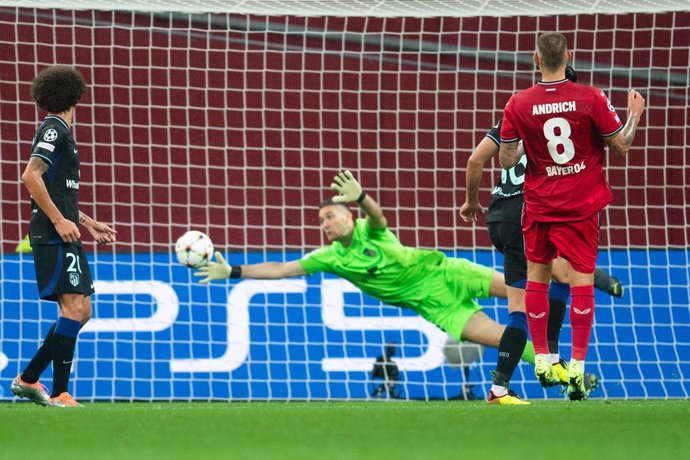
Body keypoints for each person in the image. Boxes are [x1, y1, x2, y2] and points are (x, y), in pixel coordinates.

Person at [197, 170, 535, 404]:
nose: (325, 225)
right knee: (502, 338)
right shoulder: (331, 257)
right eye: (321, 222)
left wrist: (361, 196)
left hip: (450, 273)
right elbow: (283, 268)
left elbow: (378, 217)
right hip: (438, 307)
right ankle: (563, 373)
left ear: (349, 216)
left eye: (330, 216)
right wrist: (233, 271)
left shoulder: (368, 231)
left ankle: (576, 283)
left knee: (529, 293)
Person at [459, 66, 622, 403]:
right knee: (562, 277)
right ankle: (547, 365)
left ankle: (512, 382)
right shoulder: (575, 119)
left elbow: (476, 160)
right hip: (531, 210)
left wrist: (471, 203)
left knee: (528, 298)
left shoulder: (519, 116)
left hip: (498, 216)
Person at [498, 32, 645, 400]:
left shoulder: (518, 103)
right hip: (580, 205)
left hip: (540, 204)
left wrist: (524, 144)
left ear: (535, 59)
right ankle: (576, 364)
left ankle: (544, 359)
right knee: (580, 281)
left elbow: (505, 160)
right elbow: (621, 146)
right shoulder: (591, 97)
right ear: (569, 56)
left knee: (537, 277)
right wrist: (633, 117)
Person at [11, 66, 117, 407]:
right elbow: (31, 176)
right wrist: (59, 221)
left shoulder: (61, 132)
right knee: (72, 308)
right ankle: (59, 393)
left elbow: (58, 189)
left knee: (82, 310)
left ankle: (28, 379)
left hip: (65, 232)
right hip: (52, 234)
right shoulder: (54, 131)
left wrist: (86, 221)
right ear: (76, 95)